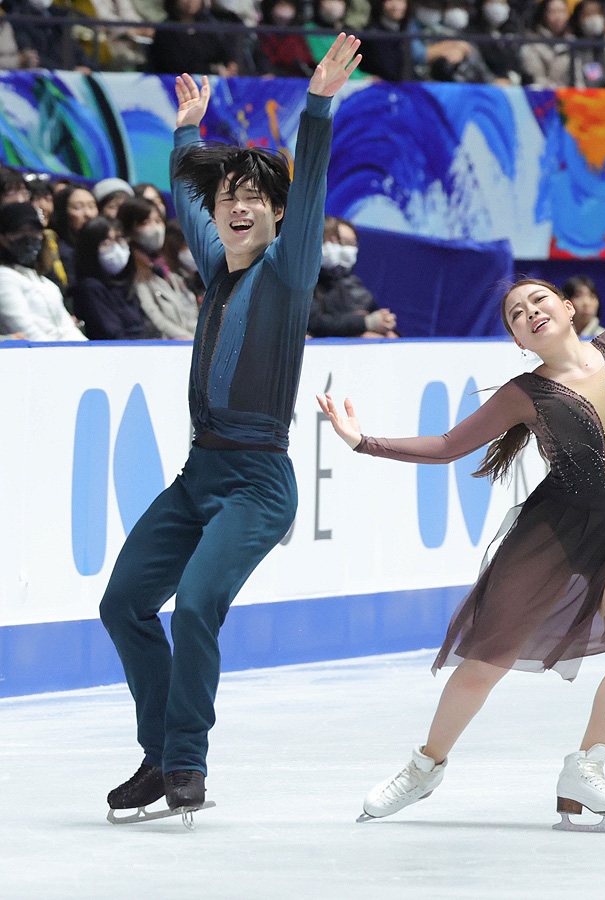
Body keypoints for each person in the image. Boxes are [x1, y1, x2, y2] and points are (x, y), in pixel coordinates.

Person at [318, 217, 605, 831]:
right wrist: (363, 442)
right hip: (554, 534)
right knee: (484, 662)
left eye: (539, 299)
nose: (530, 310)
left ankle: (587, 768)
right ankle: (424, 767)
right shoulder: (524, 393)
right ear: (518, 339)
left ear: (569, 309)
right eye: (517, 313)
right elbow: (447, 445)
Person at [99, 35, 362, 823]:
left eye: (253, 196)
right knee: (123, 605)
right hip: (197, 478)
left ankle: (186, 762)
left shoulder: (288, 268)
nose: (236, 206)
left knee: (198, 605)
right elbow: (186, 202)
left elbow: (307, 179)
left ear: (279, 214)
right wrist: (186, 136)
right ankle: (158, 752)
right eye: (227, 198)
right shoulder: (218, 265)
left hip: (255, 484)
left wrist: (315, 108)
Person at [0, 202, 86, 341]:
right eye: (19, 231)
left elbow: (68, 330)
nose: (28, 236)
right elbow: (26, 332)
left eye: (34, 230)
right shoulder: (4, 278)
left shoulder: (46, 283)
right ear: (3, 238)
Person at [117, 196, 199, 339]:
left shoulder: (167, 267)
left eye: (158, 220)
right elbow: (154, 317)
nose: (156, 228)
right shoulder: (132, 269)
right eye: (146, 222)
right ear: (130, 228)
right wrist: (186, 338)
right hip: (166, 347)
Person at [308, 216, 397, 338]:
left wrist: (387, 325)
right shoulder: (305, 283)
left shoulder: (352, 284)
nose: (341, 249)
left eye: (350, 244)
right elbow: (315, 323)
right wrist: (364, 323)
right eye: (338, 242)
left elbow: (373, 318)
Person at [69, 216, 151, 340]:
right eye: (106, 242)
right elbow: (113, 335)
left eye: (119, 239)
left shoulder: (125, 284)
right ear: (90, 249)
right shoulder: (90, 288)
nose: (116, 247)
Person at [50, 184, 99, 291]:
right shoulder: (61, 253)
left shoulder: (102, 249)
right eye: (78, 207)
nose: (88, 214)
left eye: (92, 206)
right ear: (63, 212)